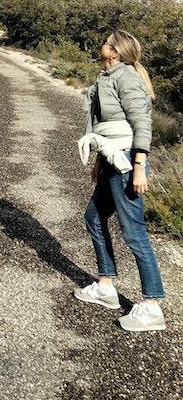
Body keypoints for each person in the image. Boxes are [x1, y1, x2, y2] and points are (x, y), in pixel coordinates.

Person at [74, 29, 166, 331]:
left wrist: (139, 166)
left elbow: (142, 122)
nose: (101, 44)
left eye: (106, 42)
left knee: (134, 232)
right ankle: (105, 285)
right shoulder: (108, 75)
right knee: (94, 217)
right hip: (111, 157)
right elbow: (104, 124)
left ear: (116, 51)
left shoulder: (126, 76)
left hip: (126, 159)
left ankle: (151, 306)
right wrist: (99, 162)